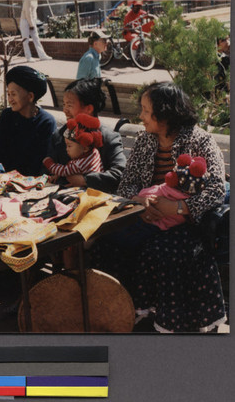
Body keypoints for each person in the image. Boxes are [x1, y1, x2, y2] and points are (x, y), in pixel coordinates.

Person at [91, 82, 227, 333]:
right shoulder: (145, 140)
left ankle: (171, 323)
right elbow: (127, 184)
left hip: (187, 223)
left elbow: (217, 190)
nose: (140, 116)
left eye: (145, 110)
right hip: (143, 214)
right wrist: (140, 201)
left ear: (164, 114)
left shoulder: (200, 141)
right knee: (104, 242)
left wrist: (176, 207)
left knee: (161, 252)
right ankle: (119, 311)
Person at [47, 78, 126, 193]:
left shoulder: (108, 137)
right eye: (64, 104)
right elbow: (48, 166)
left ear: (89, 109)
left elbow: (119, 173)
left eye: (69, 105)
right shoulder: (61, 134)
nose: (64, 110)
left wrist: (85, 180)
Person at [0, 65, 57, 176]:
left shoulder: (46, 122)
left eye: (14, 94)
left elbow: (43, 163)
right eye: (8, 94)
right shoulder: (7, 116)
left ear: (30, 96)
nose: (10, 99)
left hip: (32, 183)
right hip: (2, 179)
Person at [43, 113, 103, 178]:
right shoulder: (94, 152)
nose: (66, 149)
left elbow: (63, 171)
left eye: (69, 146)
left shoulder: (79, 164)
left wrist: (49, 163)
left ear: (85, 148)